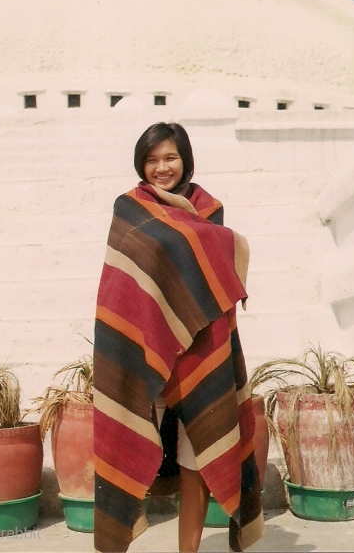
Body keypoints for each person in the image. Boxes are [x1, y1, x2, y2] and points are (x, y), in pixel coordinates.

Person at [93, 122, 264, 552]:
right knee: (126, 442)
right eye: (152, 160)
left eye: (169, 157)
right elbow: (123, 288)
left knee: (196, 460)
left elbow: (217, 269)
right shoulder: (129, 209)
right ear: (141, 164)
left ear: (185, 159)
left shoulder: (210, 209)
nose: (161, 167)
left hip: (200, 353)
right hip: (145, 350)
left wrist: (230, 244)